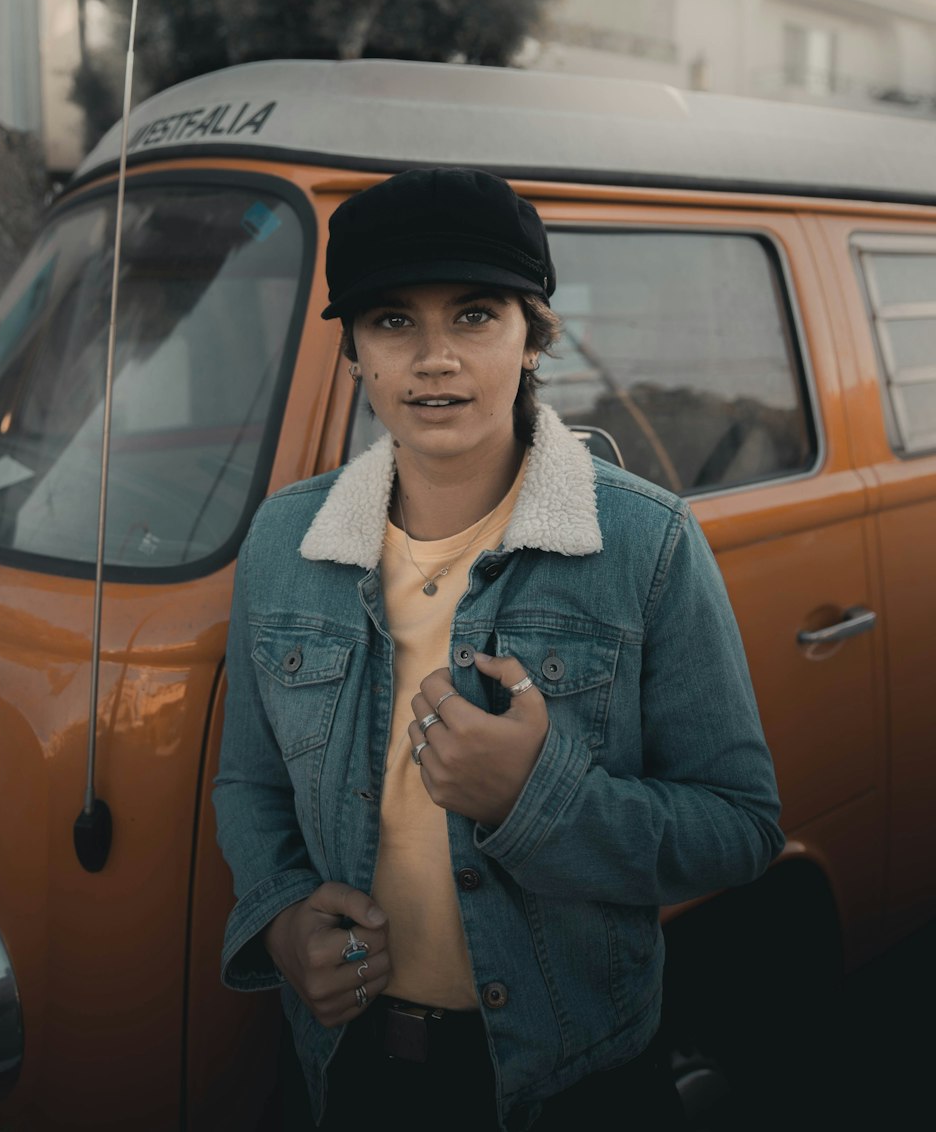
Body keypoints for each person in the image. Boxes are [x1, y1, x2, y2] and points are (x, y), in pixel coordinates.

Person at [212, 167, 784, 1132]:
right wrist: (278, 916)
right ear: (353, 352)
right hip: (350, 1065)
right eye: (393, 321)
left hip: (577, 1073)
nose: (435, 358)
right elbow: (249, 784)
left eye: (475, 315)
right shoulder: (283, 543)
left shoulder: (646, 545)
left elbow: (740, 827)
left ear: (531, 338)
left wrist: (538, 798)